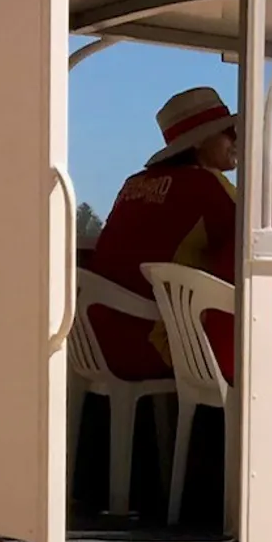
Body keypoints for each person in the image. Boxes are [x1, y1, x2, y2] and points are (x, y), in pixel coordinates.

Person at [88, 87, 240, 382]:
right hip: (150, 345)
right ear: (199, 142)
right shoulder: (206, 186)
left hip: (96, 339)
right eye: (226, 132)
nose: (235, 138)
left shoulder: (134, 183)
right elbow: (250, 241)